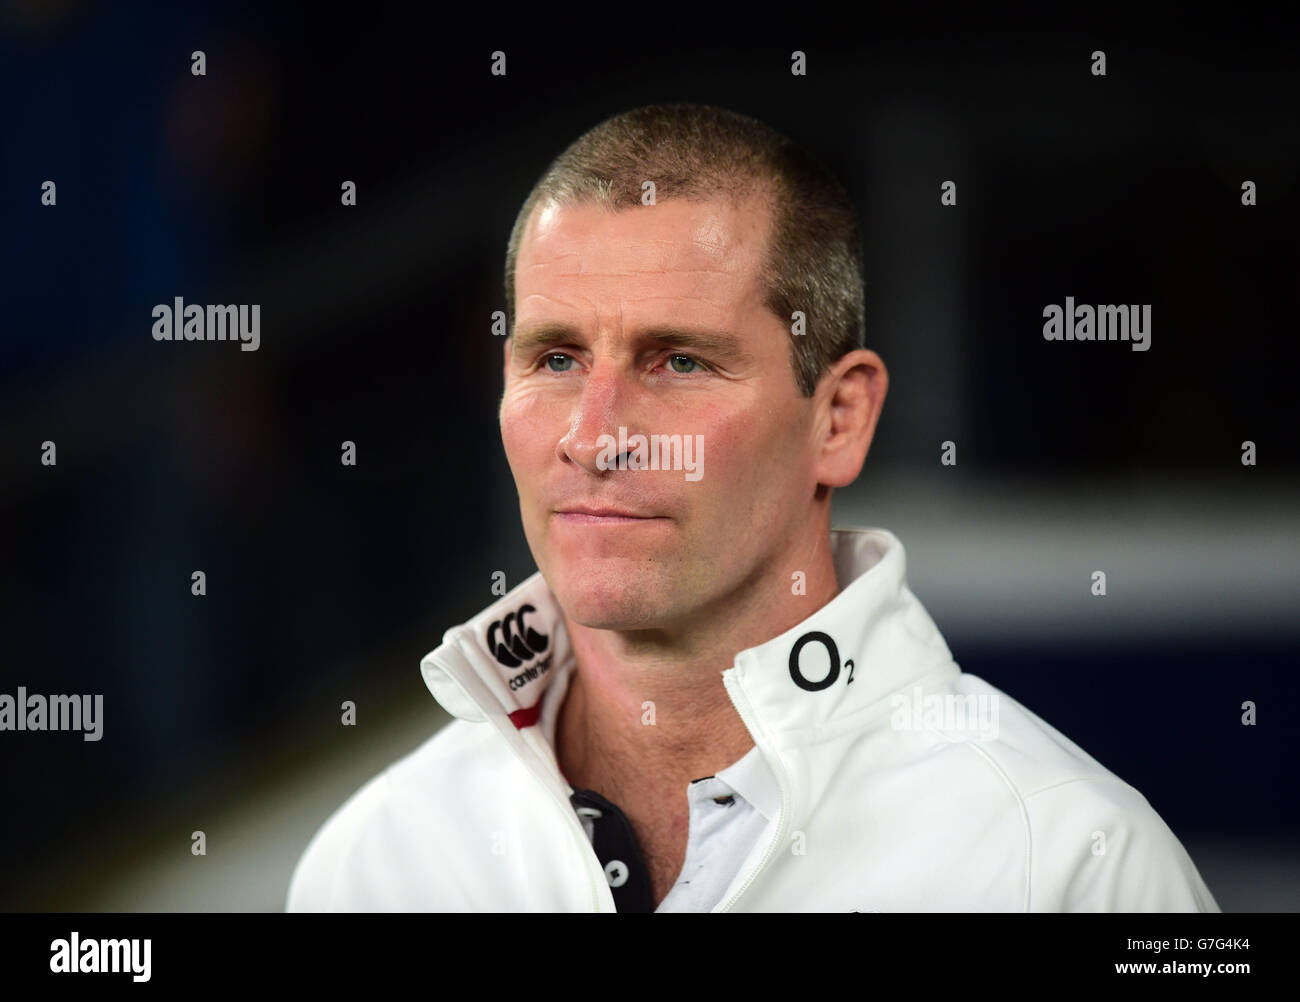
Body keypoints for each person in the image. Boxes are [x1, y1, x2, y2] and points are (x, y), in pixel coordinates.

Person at [286, 103, 1218, 912]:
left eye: (679, 362)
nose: (595, 437)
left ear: (839, 418)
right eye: (556, 359)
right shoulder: (377, 865)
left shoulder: (1067, 867)